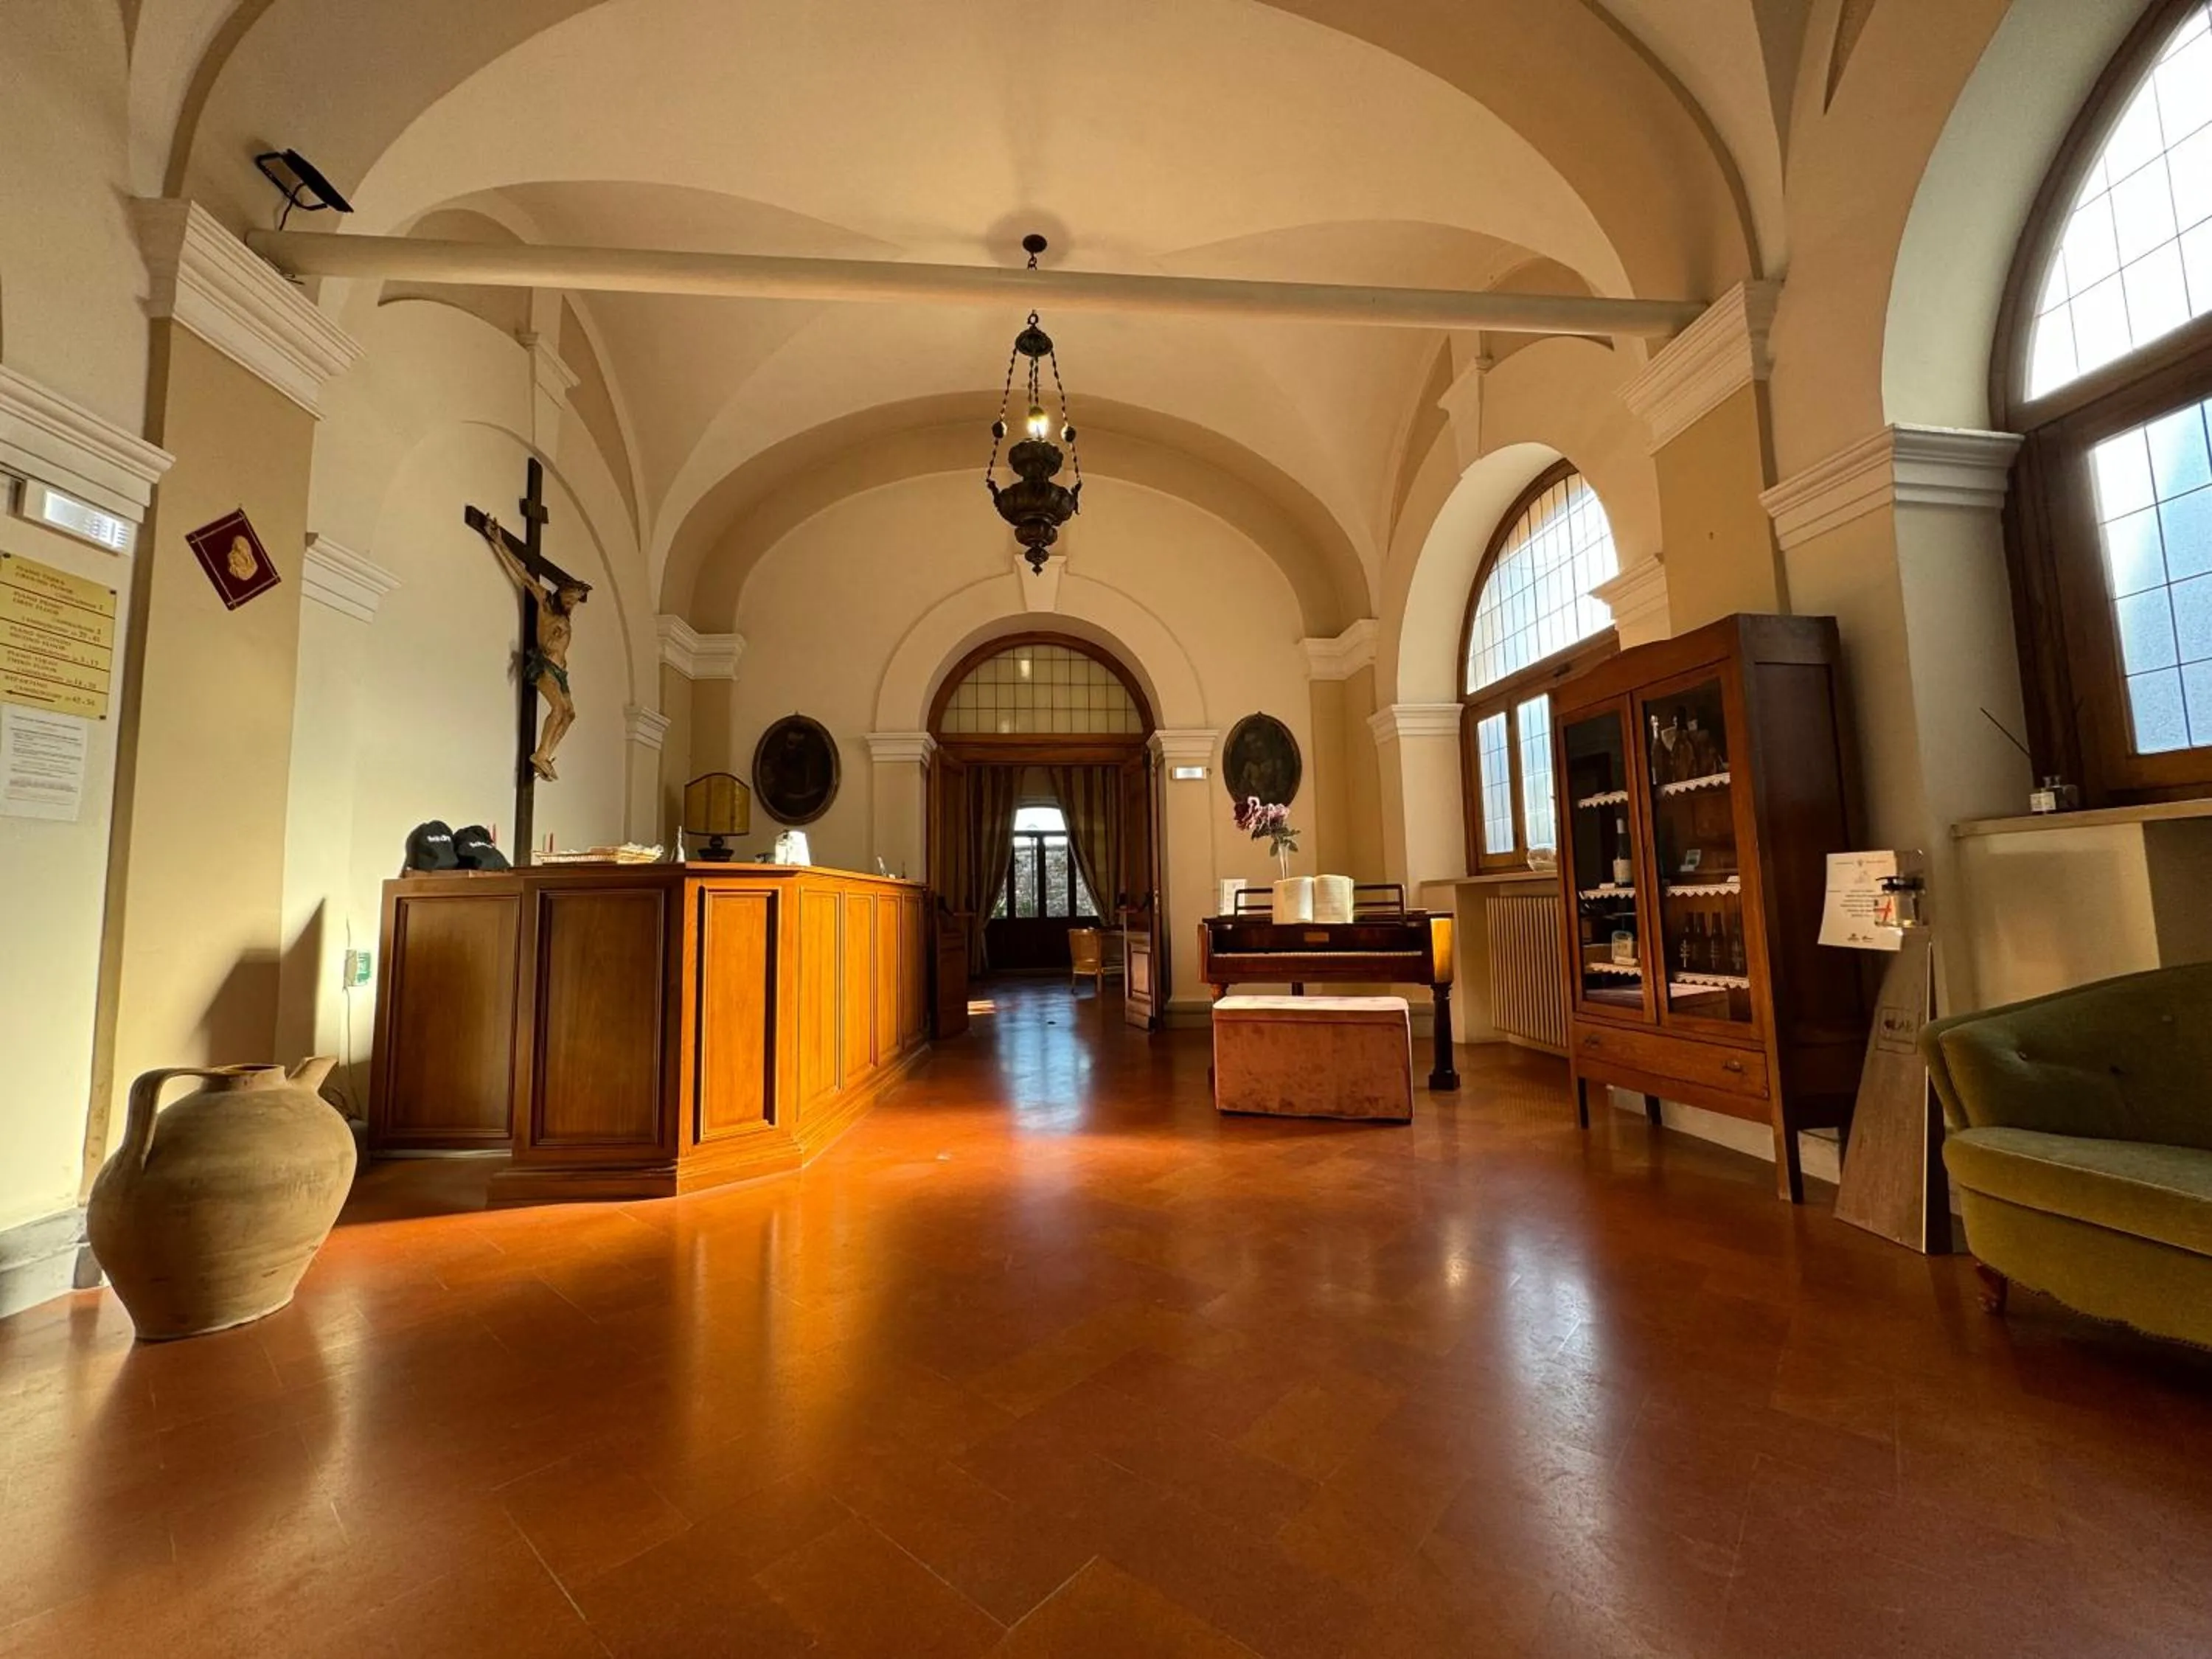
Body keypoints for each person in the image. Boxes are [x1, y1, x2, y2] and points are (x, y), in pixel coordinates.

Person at [478, 515, 588, 781]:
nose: (572, 605)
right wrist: (499, 542)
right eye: (570, 599)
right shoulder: (547, 603)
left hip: (560, 671)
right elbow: (525, 577)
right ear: (561, 594)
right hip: (545, 664)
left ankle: (545, 754)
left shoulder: (565, 617)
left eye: (575, 602)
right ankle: (540, 754)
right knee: (559, 710)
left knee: (570, 714)